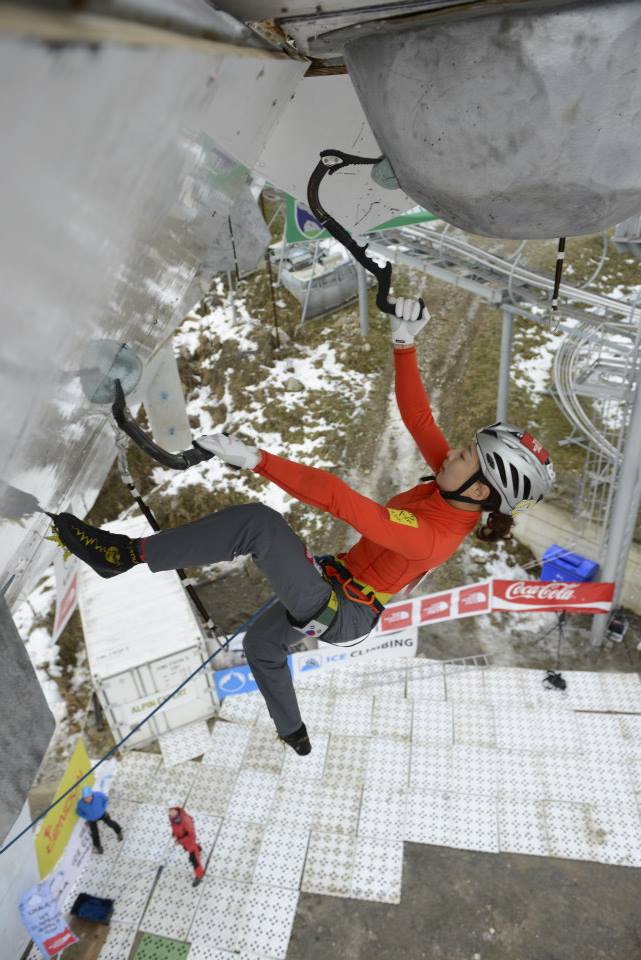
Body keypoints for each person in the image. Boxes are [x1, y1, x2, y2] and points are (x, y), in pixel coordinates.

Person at [48, 296, 554, 756]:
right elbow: (419, 418)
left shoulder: (435, 535)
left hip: (344, 609)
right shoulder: (453, 487)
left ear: (482, 489)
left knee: (259, 524)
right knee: (261, 645)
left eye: (465, 454)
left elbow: (344, 501)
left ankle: (123, 556)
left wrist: (257, 460)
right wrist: (404, 343)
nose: (453, 451)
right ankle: (293, 731)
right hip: (339, 587)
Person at [76, 785, 123, 854]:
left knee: (110, 823)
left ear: (92, 795)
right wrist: (87, 817)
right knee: (95, 833)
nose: (87, 800)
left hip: (102, 814)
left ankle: (119, 832)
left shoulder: (99, 795)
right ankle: (98, 846)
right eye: (85, 798)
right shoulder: (80, 804)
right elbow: (79, 812)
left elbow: (106, 799)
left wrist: (103, 809)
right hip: (92, 819)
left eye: (89, 797)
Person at [169, 806, 205, 887]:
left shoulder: (185, 821)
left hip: (190, 843)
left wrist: (180, 840)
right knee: (188, 849)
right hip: (185, 843)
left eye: (172, 810)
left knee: (194, 860)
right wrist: (174, 834)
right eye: (170, 811)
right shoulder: (173, 818)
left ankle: (199, 875)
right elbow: (175, 828)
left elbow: (191, 835)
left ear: (176, 810)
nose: (171, 813)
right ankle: (198, 849)